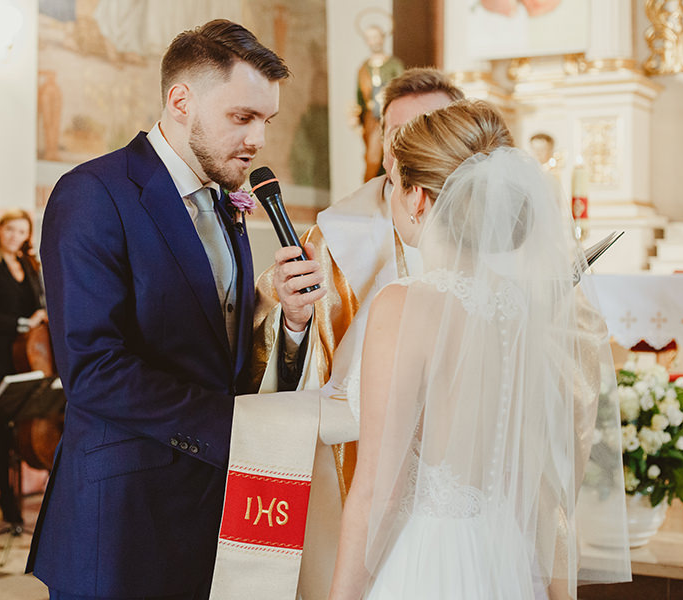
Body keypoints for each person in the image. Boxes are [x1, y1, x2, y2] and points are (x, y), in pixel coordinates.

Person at [27, 19, 322, 600]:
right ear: (181, 101)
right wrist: (240, 430)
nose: (258, 139)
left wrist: (286, 318)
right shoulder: (94, 193)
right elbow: (94, 371)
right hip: (125, 516)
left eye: (266, 121)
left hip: (214, 507)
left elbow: (216, 345)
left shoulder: (226, 200)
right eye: (242, 117)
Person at [328, 100, 631, 599]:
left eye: (395, 184)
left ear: (418, 197)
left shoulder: (403, 305)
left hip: (431, 561)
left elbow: (378, 492)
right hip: (504, 556)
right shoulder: (525, 306)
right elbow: (538, 480)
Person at [253, 68, 463, 600]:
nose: (408, 144)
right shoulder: (332, 237)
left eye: (430, 126)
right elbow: (288, 365)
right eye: (396, 132)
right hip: (357, 471)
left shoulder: (497, 244)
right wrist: (293, 322)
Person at [0, 209, 46, 527]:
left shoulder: (29, 266)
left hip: (26, 359)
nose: (16, 236)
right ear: (0, 230)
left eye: (22, 231)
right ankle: (6, 499)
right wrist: (24, 323)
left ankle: (27, 492)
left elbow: (39, 306)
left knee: (25, 427)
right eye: (11, 230)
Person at [356, 24, 404, 182]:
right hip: (371, 120)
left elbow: (402, 88)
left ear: (383, 38)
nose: (374, 41)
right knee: (372, 158)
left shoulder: (394, 65)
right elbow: (360, 99)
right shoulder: (364, 68)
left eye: (376, 37)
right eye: (370, 38)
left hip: (391, 117)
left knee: (391, 156)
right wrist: (357, 120)